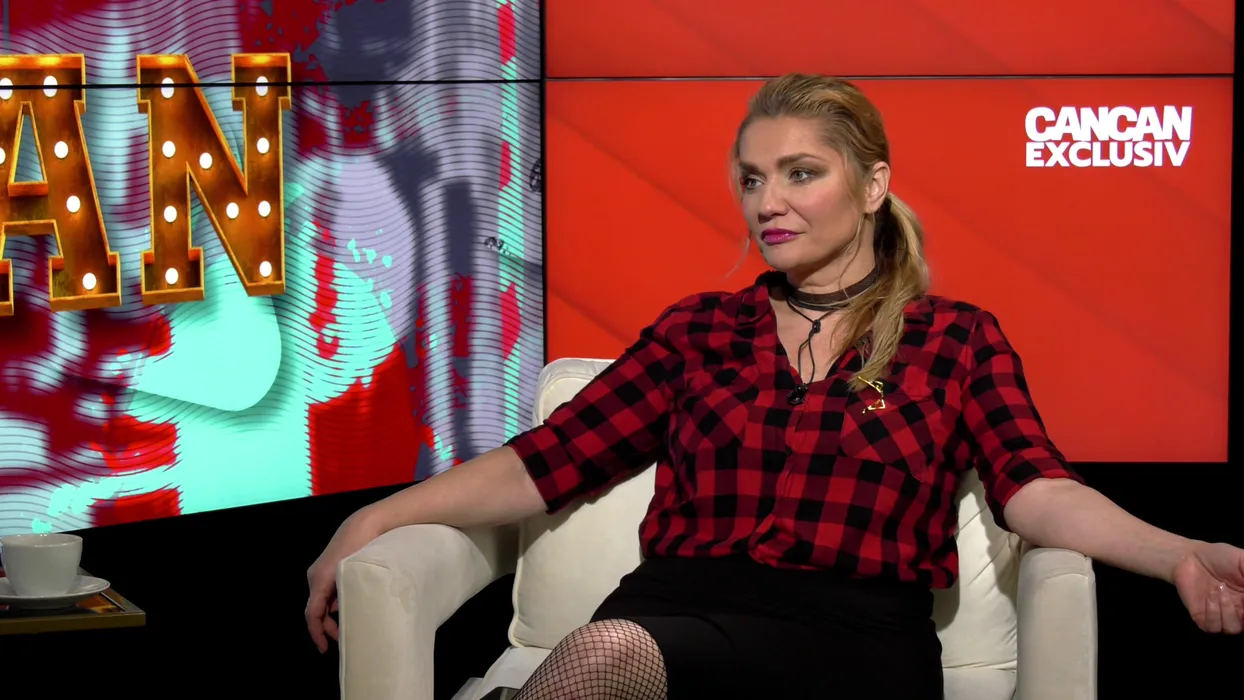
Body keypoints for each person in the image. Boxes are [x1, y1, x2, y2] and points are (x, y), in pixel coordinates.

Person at [306, 74, 1244, 699]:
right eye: (753, 179)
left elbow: (1036, 489)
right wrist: (375, 518)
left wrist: (1181, 554)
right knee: (607, 651)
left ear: (872, 185)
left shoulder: (956, 339)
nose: (769, 202)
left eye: (801, 174)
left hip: (853, 641)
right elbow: (545, 463)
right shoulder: (699, 331)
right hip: (668, 615)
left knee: (599, 656)